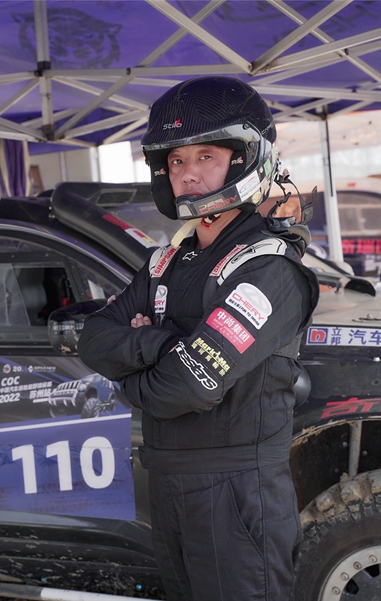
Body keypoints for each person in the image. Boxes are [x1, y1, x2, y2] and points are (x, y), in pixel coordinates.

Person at [78, 76, 319, 601]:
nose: (187, 174)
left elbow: (186, 386)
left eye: (205, 156)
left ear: (245, 158)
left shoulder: (270, 268)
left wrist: (131, 375)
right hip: (167, 485)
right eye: (176, 160)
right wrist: (164, 347)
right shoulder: (164, 261)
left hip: (236, 496)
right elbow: (93, 339)